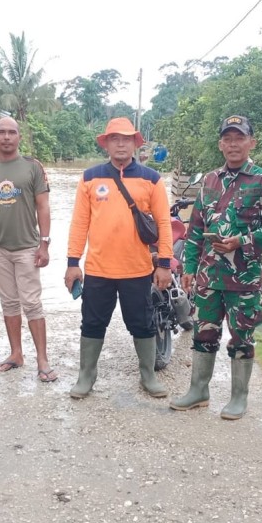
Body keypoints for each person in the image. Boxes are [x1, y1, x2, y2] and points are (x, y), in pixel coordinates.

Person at [169, 115, 262, 420]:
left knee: (242, 336)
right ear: (220, 144)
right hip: (208, 275)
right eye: (228, 139)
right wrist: (189, 267)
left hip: (243, 277)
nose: (233, 144)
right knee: (204, 332)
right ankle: (198, 391)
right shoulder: (209, 180)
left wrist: (241, 242)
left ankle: (238, 397)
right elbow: (195, 227)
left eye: (239, 138)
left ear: (251, 142)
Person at [65, 117, 173, 399]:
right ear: (106, 144)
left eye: (126, 139)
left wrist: (164, 264)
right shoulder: (90, 178)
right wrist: (73, 263)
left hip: (137, 269)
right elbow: (79, 223)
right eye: (114, 138)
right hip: (98, 268)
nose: (121, 144)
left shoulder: (151, 179)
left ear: (136, 143)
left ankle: (148, 375)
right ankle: (86, 376)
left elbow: (164, 222)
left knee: (142, 323)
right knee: (92, 323)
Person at [0, 117, 56, 382]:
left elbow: (43, 206)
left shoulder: (33, 167)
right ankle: (16, 354)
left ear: (19, 137)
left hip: (27, 247)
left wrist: (44, 244)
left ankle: (42, 360)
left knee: (32, 303)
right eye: (1, 132)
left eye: (11, 132)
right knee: (8, 301)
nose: (6, 137)